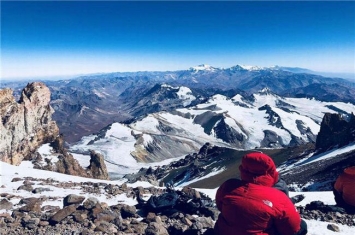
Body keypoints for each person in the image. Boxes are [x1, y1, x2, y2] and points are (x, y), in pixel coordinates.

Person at [215, 152, 307, 235]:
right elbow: (292, 228)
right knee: (302, 226)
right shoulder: (278, 196)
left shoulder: (228, 185)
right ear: (271, 172)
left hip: (223, 231)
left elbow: (220, 206)